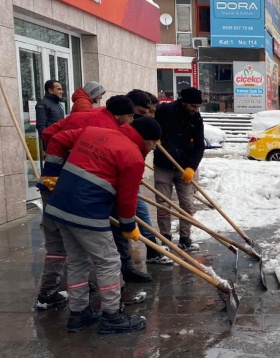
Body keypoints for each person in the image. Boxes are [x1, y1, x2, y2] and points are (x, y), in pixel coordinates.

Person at [41, 117, 162, 334]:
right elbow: (127, 199)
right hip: (87, 212)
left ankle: (78, 314)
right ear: (146, 139)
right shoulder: (133, 157)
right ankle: (112, 316)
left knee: (78, 261)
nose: (153, 148)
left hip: (60, 205)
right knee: (109, 262)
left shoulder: (92, 131)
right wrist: (128, 225)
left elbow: (57, 139)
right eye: (154, 143)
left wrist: (51, 172)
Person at [154, 87, 205, 252]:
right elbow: (151, 123)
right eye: (193, 106)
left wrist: (192, 167)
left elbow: (199, 146)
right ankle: (165, 239)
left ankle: (185, 237)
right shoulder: (164, 111)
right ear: (183, 102)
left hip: (184, 168)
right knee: (163, 204)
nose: (195, 110)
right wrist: (154, 137)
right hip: (163, 164)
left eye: (198, 107)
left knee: (187, 204)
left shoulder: (196, 119)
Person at [125, 89, 173, 266]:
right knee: (135, 211)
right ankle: (147, 251)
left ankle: (151, 249)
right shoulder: (127, 127)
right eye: (143, 112)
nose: (148, 117)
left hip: (128, 177)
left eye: (152, 112)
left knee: (139, 209)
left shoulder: (141, 128)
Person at [35, 80, 65, 150]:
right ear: (50, 91)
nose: (61, 92)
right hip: (51, 144)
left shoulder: (58, 104)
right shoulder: (43, 104)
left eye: (61, 89)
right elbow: (41, 126)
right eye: (59, 89)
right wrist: (48, 141)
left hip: (61, 141)